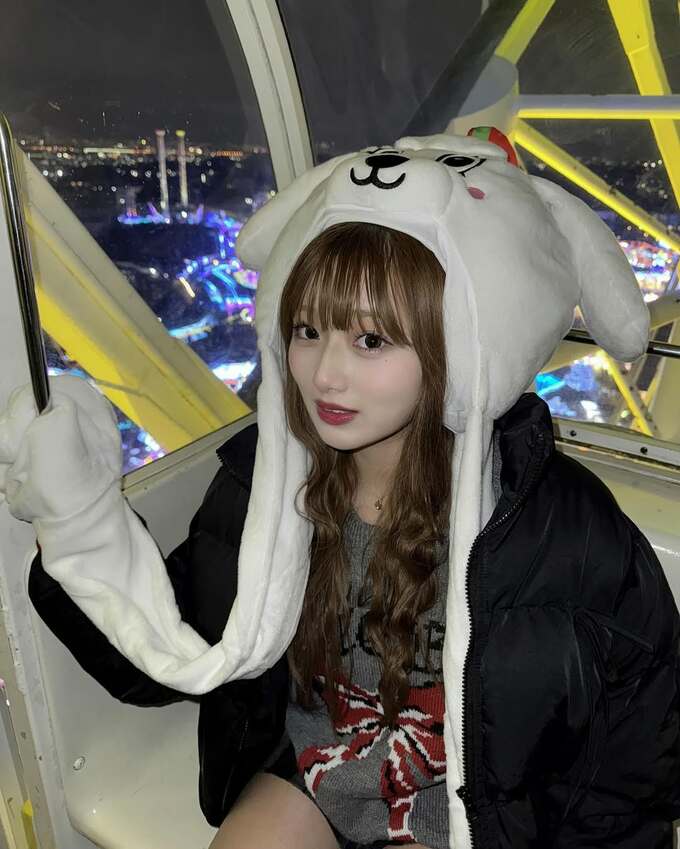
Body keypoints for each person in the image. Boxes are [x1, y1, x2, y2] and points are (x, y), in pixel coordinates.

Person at [1, 128, 679, 849]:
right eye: (307, 330)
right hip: (316, 771)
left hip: (472, 808)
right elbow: (168, 652)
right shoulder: (265, 490)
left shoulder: (558, 529)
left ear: (456, 347)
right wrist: (76, 517)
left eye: (370, 340)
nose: (325, 374)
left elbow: (636, 746)